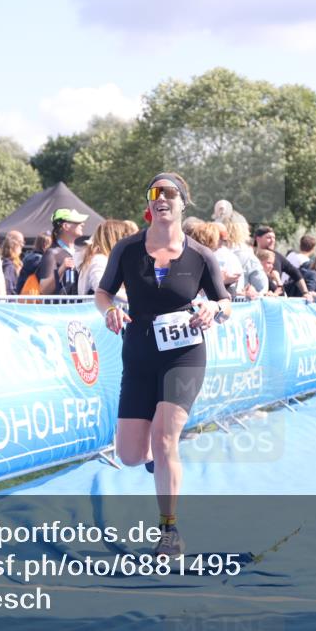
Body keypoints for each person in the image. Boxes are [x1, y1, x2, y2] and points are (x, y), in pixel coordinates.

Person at [95, 172, 231, 557]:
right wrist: (109, 312)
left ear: (182, 203)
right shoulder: (126, 250)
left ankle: (169, 531)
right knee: (130, 454)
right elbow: (103, 293)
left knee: (166, 436)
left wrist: (212, 309)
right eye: (154, 192)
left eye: (170, 192)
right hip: (138, 353)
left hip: (184, 355)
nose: (162, 198)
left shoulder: (202, 256)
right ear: (148, 207)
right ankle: (153, 457)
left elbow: (225, 304)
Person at [253, 226, 312, 300]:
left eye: (274, 238)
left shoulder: (278, 257)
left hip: (277, 300)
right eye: (269, 238)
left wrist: (305, 293)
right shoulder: (251, 257)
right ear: (258, 239)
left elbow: (295, 273)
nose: (273, 240)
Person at [39, 208, 87, 295]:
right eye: (77, 222)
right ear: (66, 226)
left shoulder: (79, 252)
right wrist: (62, 268)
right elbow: (43, 289)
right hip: (59, 308)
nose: (82, 224)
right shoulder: (52, 253)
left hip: (77, 307)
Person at [77, 219, 132, 296]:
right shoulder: (99, 260)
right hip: (98, 307)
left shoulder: (101, 259)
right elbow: (103, 290)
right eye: (124, 237)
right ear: (115, 239)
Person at [223, 212, 266, 297]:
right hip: (242, 306)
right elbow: (262, 287)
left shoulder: (212, 253)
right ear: (244, 229)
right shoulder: (248, 257)